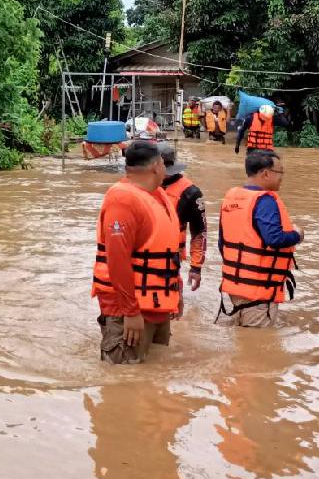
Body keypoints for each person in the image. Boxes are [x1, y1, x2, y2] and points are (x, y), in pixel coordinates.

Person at [91, 141, 182, 364]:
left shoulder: (157, 196)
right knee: (125, 374)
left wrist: (177, 292)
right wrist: (130, 311)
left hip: (157, 303)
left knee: (156, 372)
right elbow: (117, 259)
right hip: (129, 309)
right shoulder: (122, 199)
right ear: (157, 166)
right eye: (164, 164)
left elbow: (169, 254)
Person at [216, 149, 303, 327]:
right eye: (280, 172)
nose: (282, 177)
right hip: (259, 291)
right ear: (265, 174)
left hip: (236, 287)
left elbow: (221, 243)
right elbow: (275, 239)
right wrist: (297, 235)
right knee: (258, 341)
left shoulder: (232, 199)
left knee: (242, 336)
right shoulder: (265, 201)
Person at [158, 142, 206, 292]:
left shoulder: (191, 193)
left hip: (171, 258)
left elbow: (199, 232)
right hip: (141, 256)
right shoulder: (143, 187)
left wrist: (196, 267)